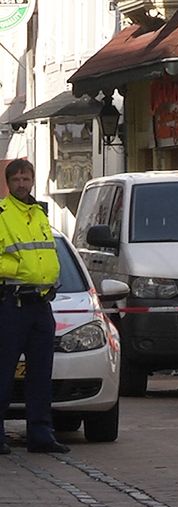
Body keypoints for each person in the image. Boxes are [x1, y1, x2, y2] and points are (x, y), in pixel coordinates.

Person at [0, 159, 69, 455]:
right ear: (8, 183)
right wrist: (16, 271)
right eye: (16, 179)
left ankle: (41, 434)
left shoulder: (40, 213)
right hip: (11, 304)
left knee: (41, 373)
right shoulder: (2, 214)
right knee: (3, 372)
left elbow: (45, 254)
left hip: (41, 304)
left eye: (26, 178)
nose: (21, 184)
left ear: (32, 180)